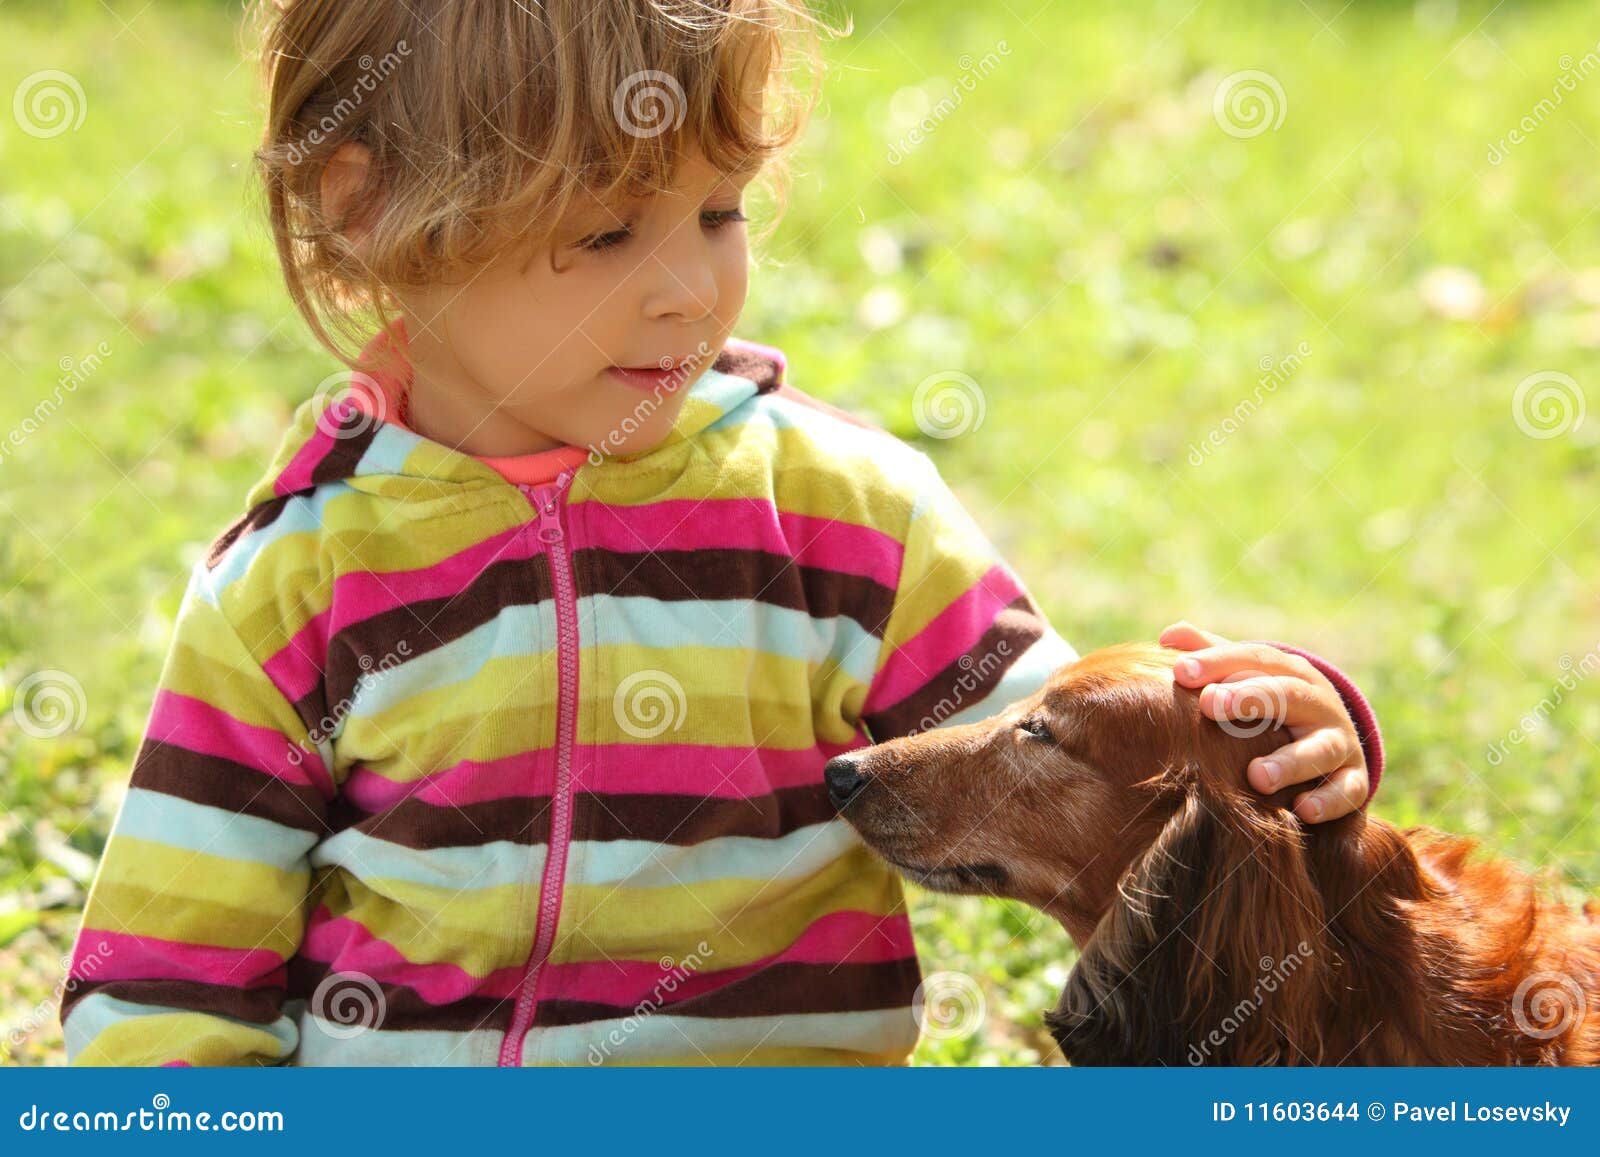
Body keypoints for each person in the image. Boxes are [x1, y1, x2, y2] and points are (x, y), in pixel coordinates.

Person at [60, 0, 1381, 1066]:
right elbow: (171, 982)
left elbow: (1093, 762)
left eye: (718, 211)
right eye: (608, 230)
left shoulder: (842, 512)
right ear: (369, 210)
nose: (687, 286)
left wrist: (1275, 724)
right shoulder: (296, 581)